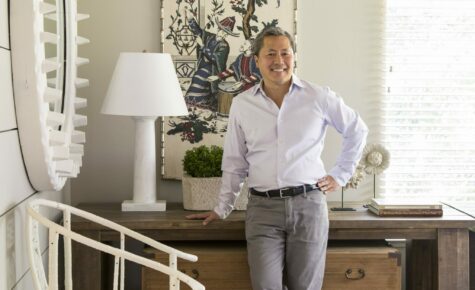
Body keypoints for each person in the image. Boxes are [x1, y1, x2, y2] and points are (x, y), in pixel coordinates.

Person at [186, 26, 368, 290]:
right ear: (257, 60)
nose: (279, 61)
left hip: (309, 207)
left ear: (294, 57)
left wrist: (340, 175)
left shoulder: (318, 97)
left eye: (286, 53)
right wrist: (222, 208)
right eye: (271, 53)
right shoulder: (242, 104)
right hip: (262, 210)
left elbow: (357, 130)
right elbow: (235, 161)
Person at [184, 16, 239, 111]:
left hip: (213, 69)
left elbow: (215, 58)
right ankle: (193, 102)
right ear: (218, 29)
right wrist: (190, 20)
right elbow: (198, 32)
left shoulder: (224, 46)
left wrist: (202, 45)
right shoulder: (209, 37)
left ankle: (199, 102)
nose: (224, 35)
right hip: (203, 65)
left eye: (226, 33)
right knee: (198, 76)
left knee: (198, 76)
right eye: (222, 31)